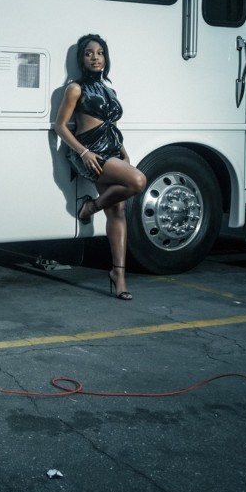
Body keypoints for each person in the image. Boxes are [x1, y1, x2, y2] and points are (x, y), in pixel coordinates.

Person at [54, 34, 147, 300]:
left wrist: (124, 154)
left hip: (112, 152)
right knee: (138, 181)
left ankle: (119, 275)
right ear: (81, 59)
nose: (95, 57)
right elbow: (60, 127)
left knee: (117, 211)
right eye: (88, 53)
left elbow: (112, 126)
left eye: (100, 53)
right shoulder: (75, 89)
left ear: (106, 57)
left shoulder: (110, 90)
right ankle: (91, 207)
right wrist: (83, 153)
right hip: (90, 153)